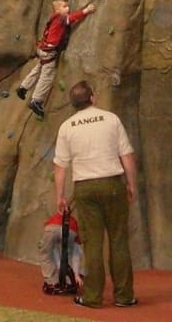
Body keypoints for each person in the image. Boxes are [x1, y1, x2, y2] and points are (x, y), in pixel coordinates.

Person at [53, 81, 137, 309]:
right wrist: (130, 184)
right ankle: (124, 296)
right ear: (92, 98)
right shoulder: (111, 119)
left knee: (92, 244)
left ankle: (92, 297)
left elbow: (60, 166)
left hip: (85, 187)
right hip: (112, 183)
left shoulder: (67, 126)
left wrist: (60, 196)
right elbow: (126, 155)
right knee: (119, 240)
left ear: (73, 103)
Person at [16, 0, 96, 119]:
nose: (68, 8)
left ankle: (23, 87)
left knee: (38, 68)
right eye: (65, 7)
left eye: (67, 6)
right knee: (47, 76)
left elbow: (59, 0)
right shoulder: (61, 18)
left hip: (42, 49)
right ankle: (36, 100)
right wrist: (86, 10)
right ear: (58, 9)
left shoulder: (55, 14)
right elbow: (72, 18)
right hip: (49, 52)